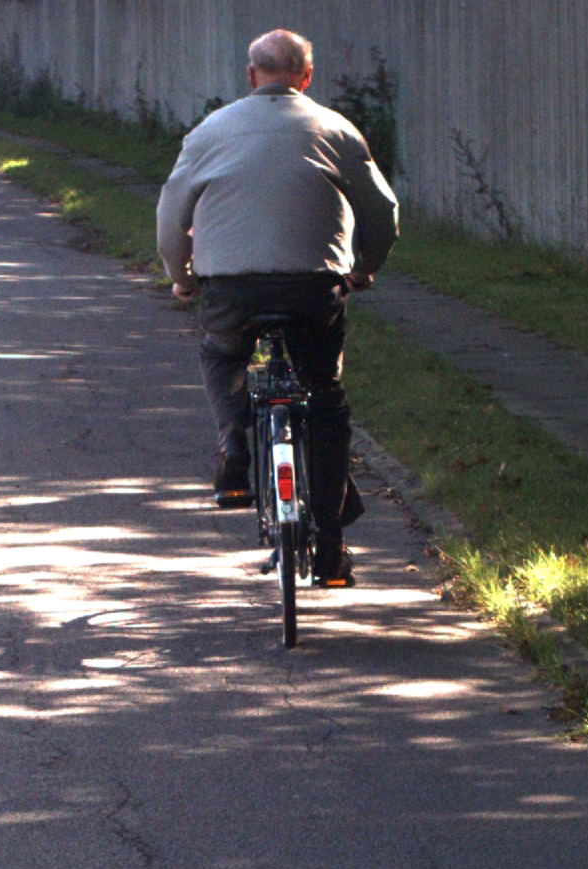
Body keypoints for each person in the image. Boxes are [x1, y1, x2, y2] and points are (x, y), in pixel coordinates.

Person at [156, 28, 398, 584]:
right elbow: (382, 212)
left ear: (250, 76)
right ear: (306, 77)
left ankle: (234, 448)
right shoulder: (336, 129)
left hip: (231, 289)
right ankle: (331, 548)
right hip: (312, 290)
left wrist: (182, 277)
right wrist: (364, 268)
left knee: (222, 354)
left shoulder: (209, 132)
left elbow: (171, 217)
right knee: (326, 400)